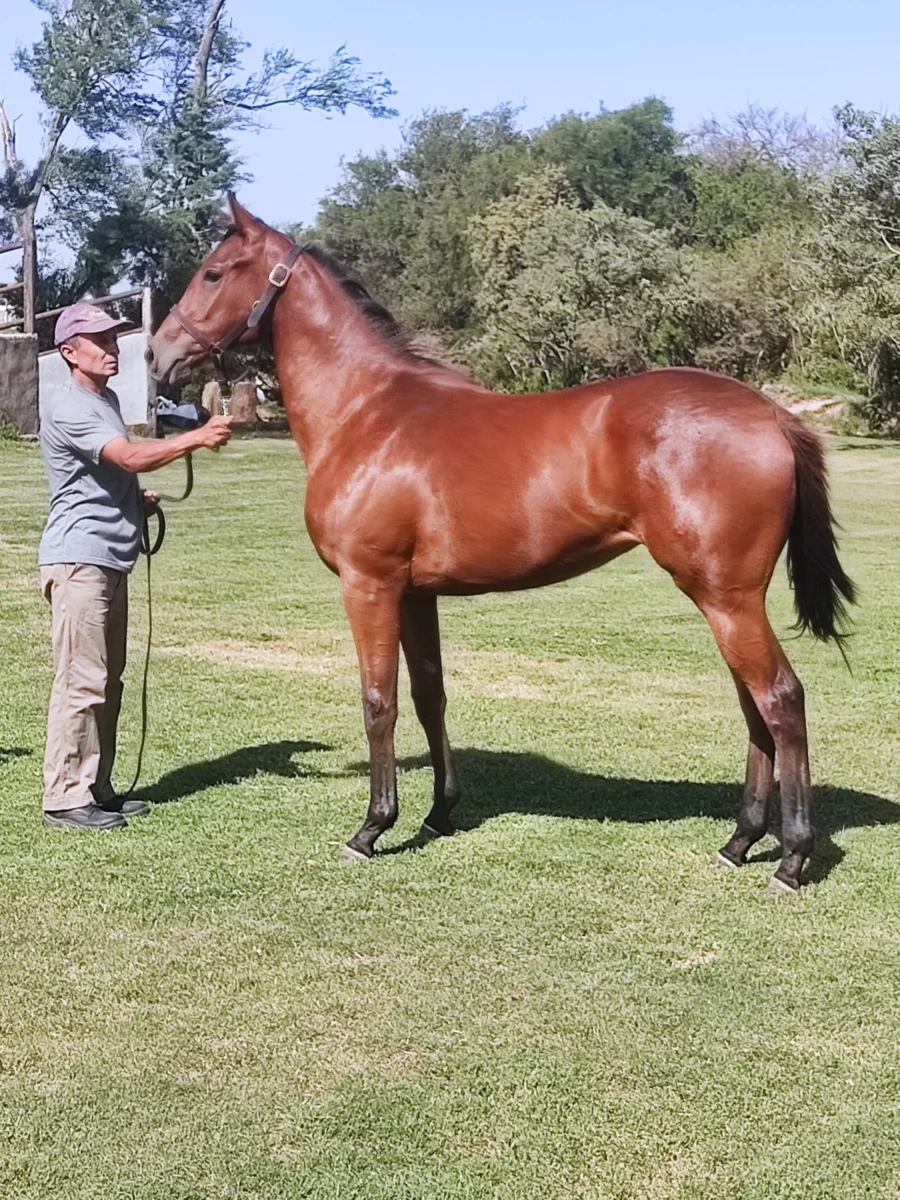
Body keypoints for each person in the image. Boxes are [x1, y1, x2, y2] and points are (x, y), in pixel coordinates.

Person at [38, 301, 232, 830]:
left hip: (108, 555)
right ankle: (64, 798)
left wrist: (132, 497)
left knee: (108, 680)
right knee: (82, 681)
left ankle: (94, 787)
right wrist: (196, 436)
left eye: (112, 337)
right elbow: (125, 456)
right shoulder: (68, 403)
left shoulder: (105, 401)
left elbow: (110, 471)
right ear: (69, 352)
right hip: (80, 560)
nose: (110, 348)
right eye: (98, 340)